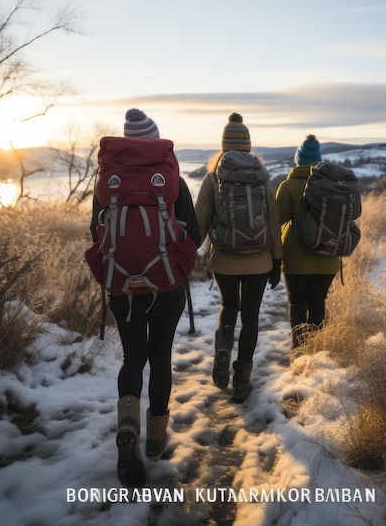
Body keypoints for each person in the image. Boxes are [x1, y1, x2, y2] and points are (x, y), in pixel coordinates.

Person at [90, 108, 201, 487]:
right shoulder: (172, 180)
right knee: (160, 357)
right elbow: (194, 234)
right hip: (166, 285)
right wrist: (169, 262)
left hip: (122, 286)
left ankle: (127, 428)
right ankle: (154, 439)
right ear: (155, 141)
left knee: (133, 357)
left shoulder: (107, 182)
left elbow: (97, 234)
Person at [195, 113, 282, 403]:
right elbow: (272, 221)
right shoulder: (262, 177)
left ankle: (223, 345)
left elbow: (200, 223)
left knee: (229, 305)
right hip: (259, 260)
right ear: (248, 146)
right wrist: (277, 260)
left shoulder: (212, 177)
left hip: (225, 259)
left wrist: (183, 256)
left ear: (223, 146)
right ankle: (242, 380)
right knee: (252, 316)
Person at [275, 134, 340, 348]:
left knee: (298, 303)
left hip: (296, 259)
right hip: (329, 257)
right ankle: (316, 350)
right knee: (318, 303)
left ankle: (300, 350)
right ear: (319, 159)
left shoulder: (288, 186)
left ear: (298, 160)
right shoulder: (334, 186)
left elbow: (276, 220)